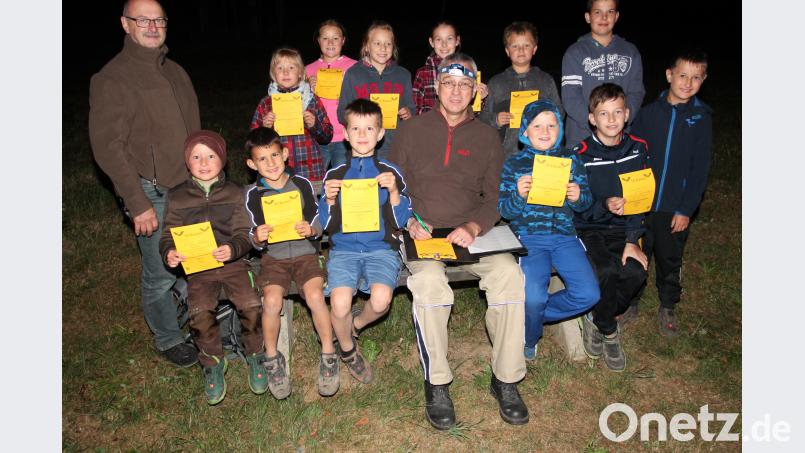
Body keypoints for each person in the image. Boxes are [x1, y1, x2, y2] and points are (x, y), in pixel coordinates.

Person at [390, 53, 529, 429]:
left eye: (464, 85)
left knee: (509, 275)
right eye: (449, 84)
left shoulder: (486, 137)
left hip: (470, 233)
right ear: (437, 87)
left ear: (475, 91)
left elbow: (495, 196)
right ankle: (437, 383)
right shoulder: (410, 130)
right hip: (423, 231)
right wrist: (408, 219)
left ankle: (506, 378)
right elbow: (392, 187)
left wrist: (474, 225)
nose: (455, 92)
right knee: (429, 282)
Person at [89, 0, 200, 367]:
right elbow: (108, 148)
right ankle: (168, 338)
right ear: (125, 24)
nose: (153, 27)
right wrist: (138, 203)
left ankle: (197, 315)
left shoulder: (176, 71)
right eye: (143, 20)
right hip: (153, 190)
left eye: (159, 20)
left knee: (195, 257)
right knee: (160, 272)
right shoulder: (112, 78)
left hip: (189, 184)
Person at [159, 131, 266, 405]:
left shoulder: (236, 192)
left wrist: (233, 248)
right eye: (196, 157)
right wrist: (169, 252)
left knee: (251, 304)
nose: (204, 163)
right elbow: (168, 235)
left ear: (223, 160)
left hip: (234, 265)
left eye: (210, 156)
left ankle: (256, 354)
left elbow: (244, 232)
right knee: (199, 311)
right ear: (187, 162)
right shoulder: (177, 196)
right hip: (199, 269)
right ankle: (213, 361)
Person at [318, 99, 412, 386]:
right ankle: (348, 350)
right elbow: (325, 225)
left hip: (380, 249)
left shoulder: (390, 173)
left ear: (380, 133)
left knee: (381, 301)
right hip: (344, 251)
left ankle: (355, 325)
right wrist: (329, 200)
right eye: (355, 129)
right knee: (339, 303)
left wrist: (394, 193)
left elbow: (400, 221)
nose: (362, 134)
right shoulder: (335, 175)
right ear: (345, 134)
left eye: (369, 128)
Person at [498, 99, 600, 361]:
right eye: (537, 126)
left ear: (560, 129)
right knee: (533, 297)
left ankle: (530, 317)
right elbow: (505, 211)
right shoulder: (514, 164)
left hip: (565, 237)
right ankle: (530, 336)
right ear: (525, 130)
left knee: (588, 294)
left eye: (551, 125)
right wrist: (519, 195)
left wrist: (577, 197)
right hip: (530, 239)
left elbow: (585, 203)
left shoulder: (571, 159)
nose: (545, 131)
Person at [243, 127, 337, 399]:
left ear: (285, 154)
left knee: (315, 296)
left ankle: (328, 353)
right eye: (262, 159)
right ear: (252, 164)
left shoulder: (301, 184)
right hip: (274, 258)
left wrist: (312, 229)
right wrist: (257, 237)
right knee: (271, 302)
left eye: (275, 155)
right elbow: (250, 233)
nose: (271, 163)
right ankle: (272, 358)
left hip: (306, 253)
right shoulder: (253, 195)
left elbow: (317, 218)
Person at [625, 50, 712, 337]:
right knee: (638, 253)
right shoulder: (649, 113)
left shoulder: (701, 117)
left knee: (670, 257)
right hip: (643, 204)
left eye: (696, 77)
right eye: (682, 75)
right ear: (669, 75)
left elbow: (699, 170)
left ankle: (668, 304)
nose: (688, 83)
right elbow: (634, 156)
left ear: (703, 80)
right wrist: (632, 198)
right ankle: (631, 302)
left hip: (674, 208)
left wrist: (686, 209)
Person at [573, 83, 649, 372]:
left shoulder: (638, 149)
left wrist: (632, 239)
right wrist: (604, 204)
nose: (611, 119)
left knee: (636, 272)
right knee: (605, 271)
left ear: (627, 114)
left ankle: (597, 317)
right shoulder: (580, 154)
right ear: (592, 119)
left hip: (624, 228)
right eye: (603, 113)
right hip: (589, 227)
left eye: (617, 112)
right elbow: (577, 205)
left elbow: (642, 199)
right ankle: (609, 330)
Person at [561, 0, 645, 148]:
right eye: (598, 12)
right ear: (588, 17)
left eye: (610, 12)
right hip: (582, 136)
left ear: (616, 16)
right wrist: (597, 123)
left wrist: (620, 120)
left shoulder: (630, 52)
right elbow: (571, 98)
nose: (604, 17)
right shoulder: (574, 53)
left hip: (619, 137)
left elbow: (636, 92)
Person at [250, 47, 333, 187]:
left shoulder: (311, 100)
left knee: (311, 201)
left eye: (291, 67)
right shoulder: (267, 104)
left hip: (311, 169)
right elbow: (252, 141)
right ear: (273, 73)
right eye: (280, 68)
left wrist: (314, 125)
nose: (285, 72)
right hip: (278, 173)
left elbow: (327, 136)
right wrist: (265, 128)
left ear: (300, 73)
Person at [480, 21, 562, 158]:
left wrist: (544, 115)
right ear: (507, 51)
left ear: (534, 49)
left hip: (540, 153)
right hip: (506, 154)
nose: (521, 50)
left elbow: (560, 112)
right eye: (515, 46)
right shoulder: (496, 83)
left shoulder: (545, 80)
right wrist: (496, 119)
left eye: (526, 45)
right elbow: (483, 117)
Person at [337, 20, 415, 161]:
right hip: (363, 147)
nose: (383, 48)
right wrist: (359, 118)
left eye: (388, 44)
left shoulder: (403, 75)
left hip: (395, 146)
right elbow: (342, 113)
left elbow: (412, 109)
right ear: (367, 46)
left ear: (393, 47)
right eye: (377, 43)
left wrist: (408, 113)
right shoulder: (353, 74)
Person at [305, 20, 358, 170]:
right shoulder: (307, 70)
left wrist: (348, 89)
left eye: (335, 38)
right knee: (315, 179)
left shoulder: (355, 67)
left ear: (343, 41)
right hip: (316, 136)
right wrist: (307, 88)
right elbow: (298, 104)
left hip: (344, 136)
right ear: (318, 40)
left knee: (342, 179)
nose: (330, 42)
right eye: (325, 38)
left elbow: (363, 98)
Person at [412, 21, 489, 115]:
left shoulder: (468, 71)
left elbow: (472, 114)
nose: (444, 44)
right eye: (438, 39)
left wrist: (480, 99)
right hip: (429, 123)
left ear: (457, 41)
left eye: (449, 39)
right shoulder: (422, 73)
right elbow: (415, 108)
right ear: (431, 42)